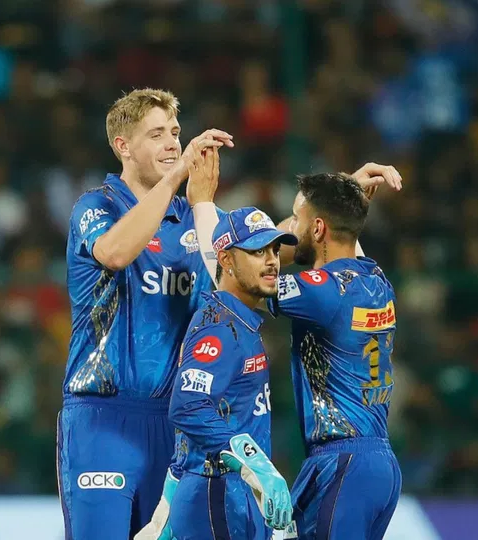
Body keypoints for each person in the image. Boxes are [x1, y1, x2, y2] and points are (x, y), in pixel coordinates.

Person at [193, 165, 404, 540]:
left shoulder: (322, 291)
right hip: (377, 465)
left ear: (318, 228)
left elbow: (232, 279)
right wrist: (346, 193)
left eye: (295, 218)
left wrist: (202, 203)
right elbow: (345, 236)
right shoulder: (376, 280)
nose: (289, 229)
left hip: (342, 465)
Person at [58, 87, 233, 539]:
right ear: (123, 146)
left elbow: (261, 252)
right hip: (102, 420)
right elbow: (115, 253)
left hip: (176, 423)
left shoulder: (195, 217)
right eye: (157, 135)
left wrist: (333, 204)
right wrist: (174, 180)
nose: (173, 144)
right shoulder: (96, 206)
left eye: (175, 132)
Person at [167, 203, 297, 540]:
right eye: (257, 251)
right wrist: (255, 463)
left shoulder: (239, 321)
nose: (272, 261)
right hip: (216, 495)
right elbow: (187, 405)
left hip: (232, 495)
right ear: (225, 259)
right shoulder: (219, 329)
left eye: (274, 250)